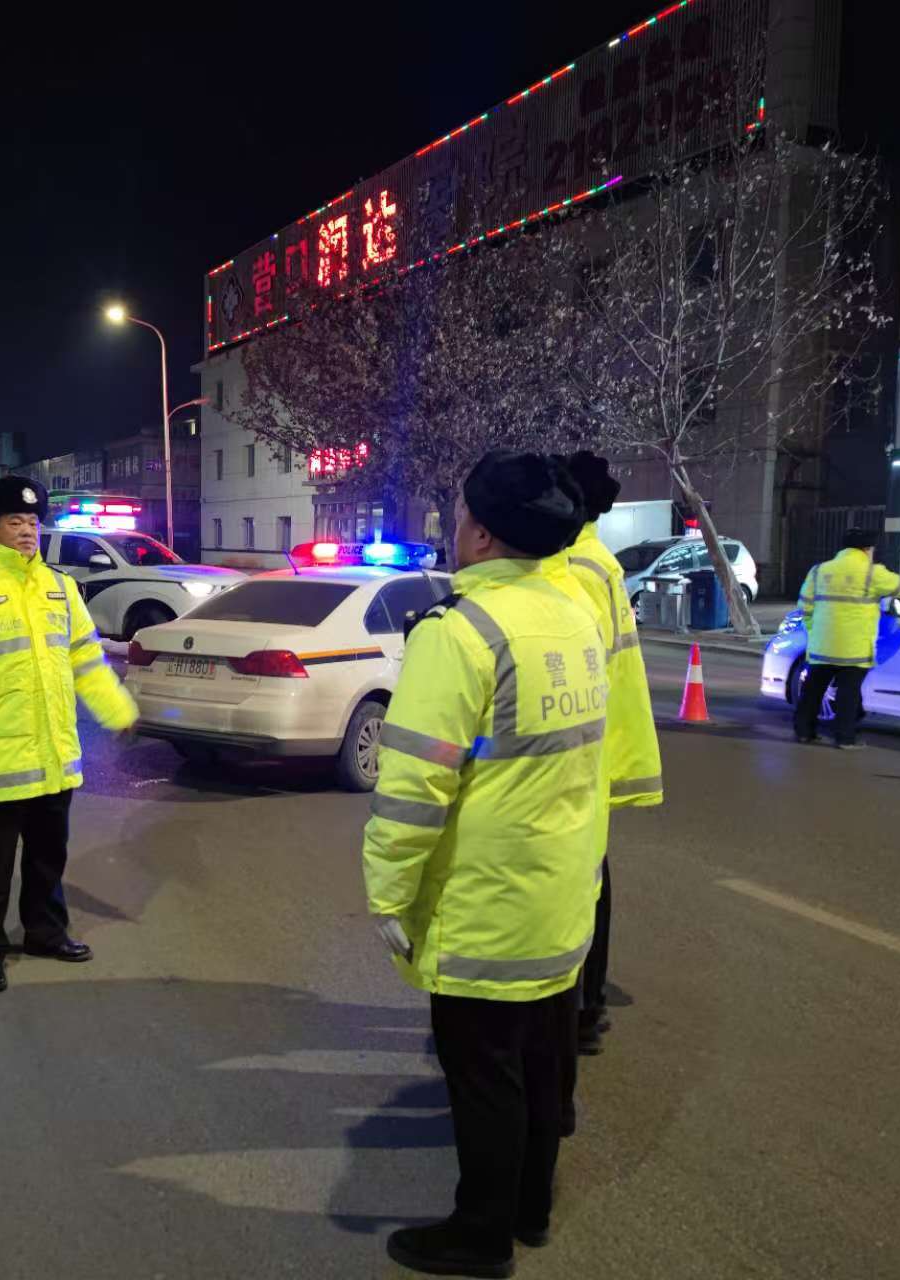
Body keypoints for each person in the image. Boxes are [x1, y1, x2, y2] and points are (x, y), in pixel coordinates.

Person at [363, 450, 608, 1278]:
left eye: (459, 512)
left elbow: (412, 788)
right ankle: (531, 1209)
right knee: (543, 1062)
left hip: (485, 902)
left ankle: (480, 1234)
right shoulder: (575, 615)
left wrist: (388, 893)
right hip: (561, 889)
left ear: (480, 533)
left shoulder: (460, 631)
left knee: (483, 1073)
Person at [0, 475, 137, 993]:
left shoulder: (60, 588)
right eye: (14, 522)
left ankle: (45, 932)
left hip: (53, 754)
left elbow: (86, 660)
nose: (26, 531)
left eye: (33, 522)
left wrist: (118, 710)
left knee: (48, 858)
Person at [542, 452, 663, 1127]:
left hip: (575, 753)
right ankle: (583, 1011)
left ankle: (581, 1012)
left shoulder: (577, 569)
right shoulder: (593, 559)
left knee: (582, 886)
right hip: (591, 749)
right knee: (591, 876)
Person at [793, 528, 900, 749]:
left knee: (812, 691)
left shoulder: (819, 571)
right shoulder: (872, 573)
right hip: (854, 649)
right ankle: (845, 738)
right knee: (848, 694)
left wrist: (815, 633)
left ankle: (804, 732)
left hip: (822, 646)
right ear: (868, 549)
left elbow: (805, 607)